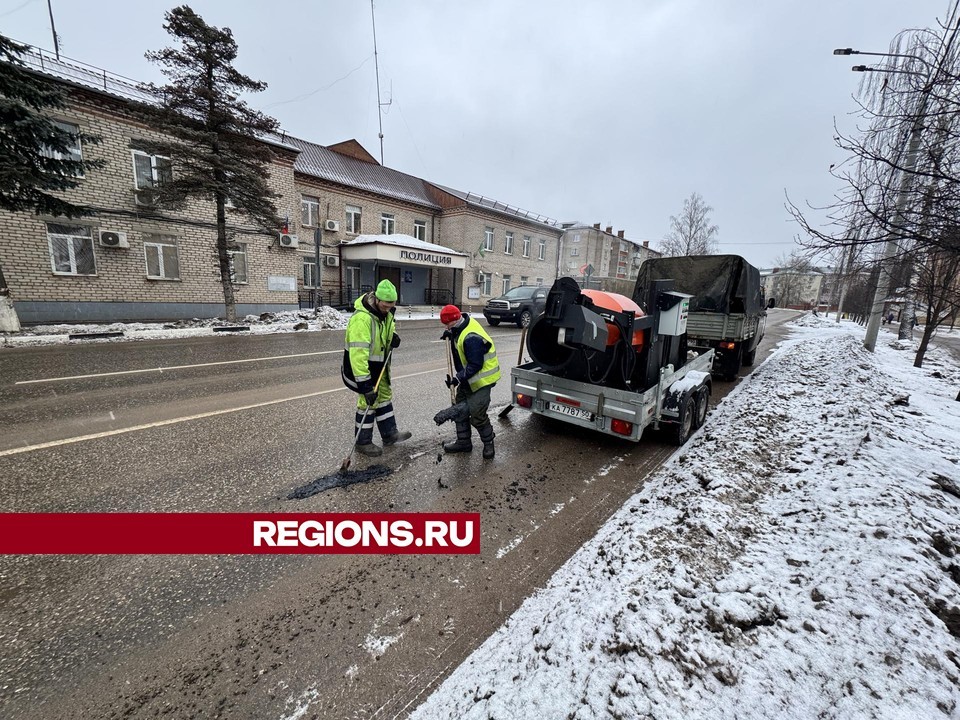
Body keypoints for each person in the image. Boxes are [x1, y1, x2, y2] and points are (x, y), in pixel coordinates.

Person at [341, 279, 411, 456]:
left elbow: (387, 330)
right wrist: (365, 386)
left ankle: (390, 434)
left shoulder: (386, 315)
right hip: (360, 371)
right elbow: (358, 356)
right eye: (386, 305)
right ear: (377, 300)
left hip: (379, 367)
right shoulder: (362, 319)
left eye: (392, 305)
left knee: (385, 396)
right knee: (368, 402)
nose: (389, 308)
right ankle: (362, 442)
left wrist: (393, 336)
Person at [433, 304, 501, 459]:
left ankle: (489, 443)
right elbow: (459, 344)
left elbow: (475, 365)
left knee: (477, 414)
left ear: (455, 319)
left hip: (482, 379)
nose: (446, 326)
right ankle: (464, 442)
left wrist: (458, 378)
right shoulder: (460, 326)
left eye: (447, 324)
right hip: (468, 378)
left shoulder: (471, 337)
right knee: (458, 408)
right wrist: (450, 334)